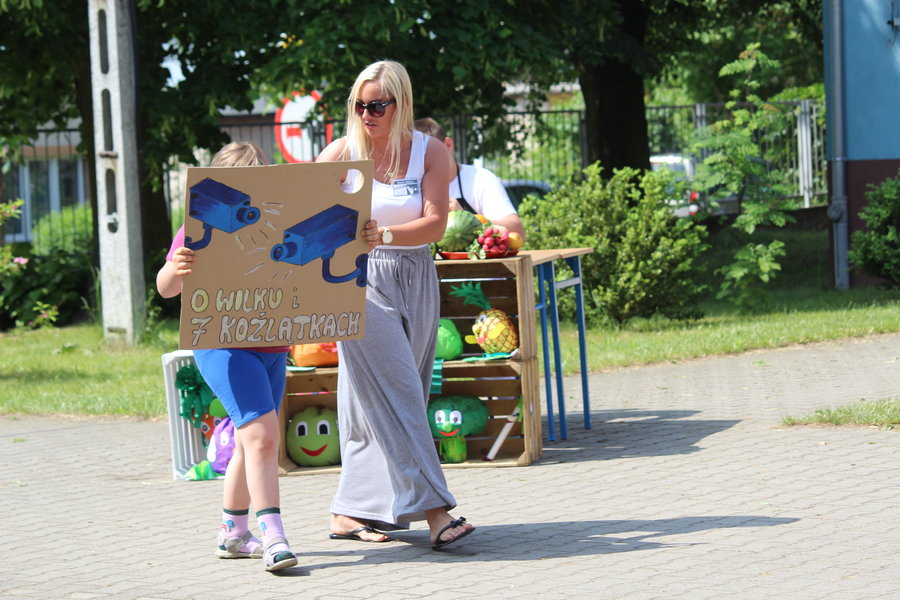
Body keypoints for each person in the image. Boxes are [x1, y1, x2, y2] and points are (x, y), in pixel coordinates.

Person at [317, 60, 476, 549]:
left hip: (415, 274)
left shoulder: (431, 154)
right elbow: (310, 220)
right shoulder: (339, 155)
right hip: (357, 279)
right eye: (359, 105)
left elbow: (435, 225)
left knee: (373, 400)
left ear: (401, 104)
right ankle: (435, 510)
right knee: (401, 390)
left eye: (377, 105)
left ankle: (350, 511)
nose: (367, 114)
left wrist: (383, 232)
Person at [156, 141, 299, 572]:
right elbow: (165, 288)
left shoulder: (276, 226)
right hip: (223, 344)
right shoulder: (197, 229)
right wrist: (175, 269)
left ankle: (233, 533)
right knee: (262, 438)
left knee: (247, 440)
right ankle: (274, 536)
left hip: (272, 345)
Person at [413, 117, 526, 241]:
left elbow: (517, 231)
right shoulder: (408, 186)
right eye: (418, 156)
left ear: (448, 145)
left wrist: (469, 219)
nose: (427, 162)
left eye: (433, 153)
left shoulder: (481, 179)